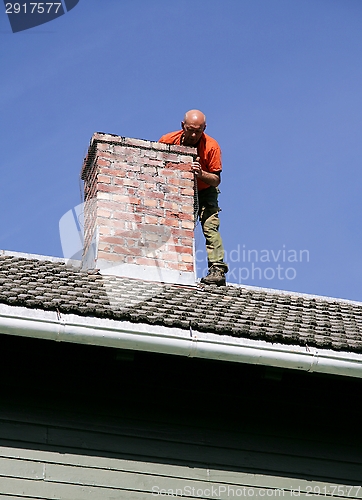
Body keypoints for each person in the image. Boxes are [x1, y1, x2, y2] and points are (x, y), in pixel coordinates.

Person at [159, 109, 228, 286]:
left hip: (205, 191)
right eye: (191, 129)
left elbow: (216, 180)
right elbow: (156, 165)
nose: (195, 134)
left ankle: (217, 269)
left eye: (199, 130)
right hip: (177, 188)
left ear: (204, 128)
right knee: (171, 223)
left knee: (210, 226)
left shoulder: (211, 146)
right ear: (183, 126)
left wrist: (200, 173)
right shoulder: (167, 141)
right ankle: (167, 263)